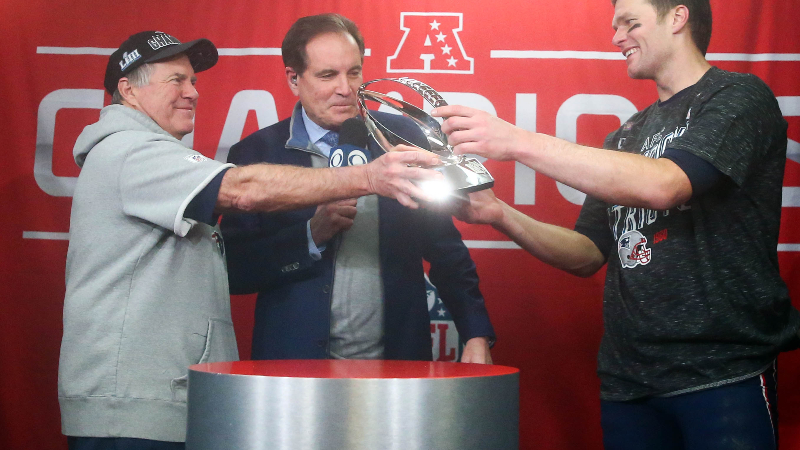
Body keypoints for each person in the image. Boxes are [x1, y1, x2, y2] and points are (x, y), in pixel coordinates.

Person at [433, 0, 799, 448]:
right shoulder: (626, 135)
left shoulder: (737, 96)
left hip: (722, 372)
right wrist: (500, 214)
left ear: (677, 17)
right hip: (629, 383)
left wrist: (517, 141)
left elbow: (667, 184)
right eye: (615, 26)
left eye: (630, 23)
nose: (616, 37)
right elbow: (588, 252)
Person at [58, 30, 441, 450]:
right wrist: (368, 176)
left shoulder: (148, 153)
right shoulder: (130, 151)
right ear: (129, 90)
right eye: (176, 80)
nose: (192, 93)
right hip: (130, 409)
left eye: (193, 81)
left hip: (152, 401)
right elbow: (243, 189)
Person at [220, 14, 495, 363]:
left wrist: (475, 333)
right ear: (293, 79)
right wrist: (310, 236)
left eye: (353, 72)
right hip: (293, 371)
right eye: (327, 75)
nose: (345, 89)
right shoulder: (256, 154)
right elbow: (235, 271)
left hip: (396, 368)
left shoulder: (403, 139)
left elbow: (444, 247)